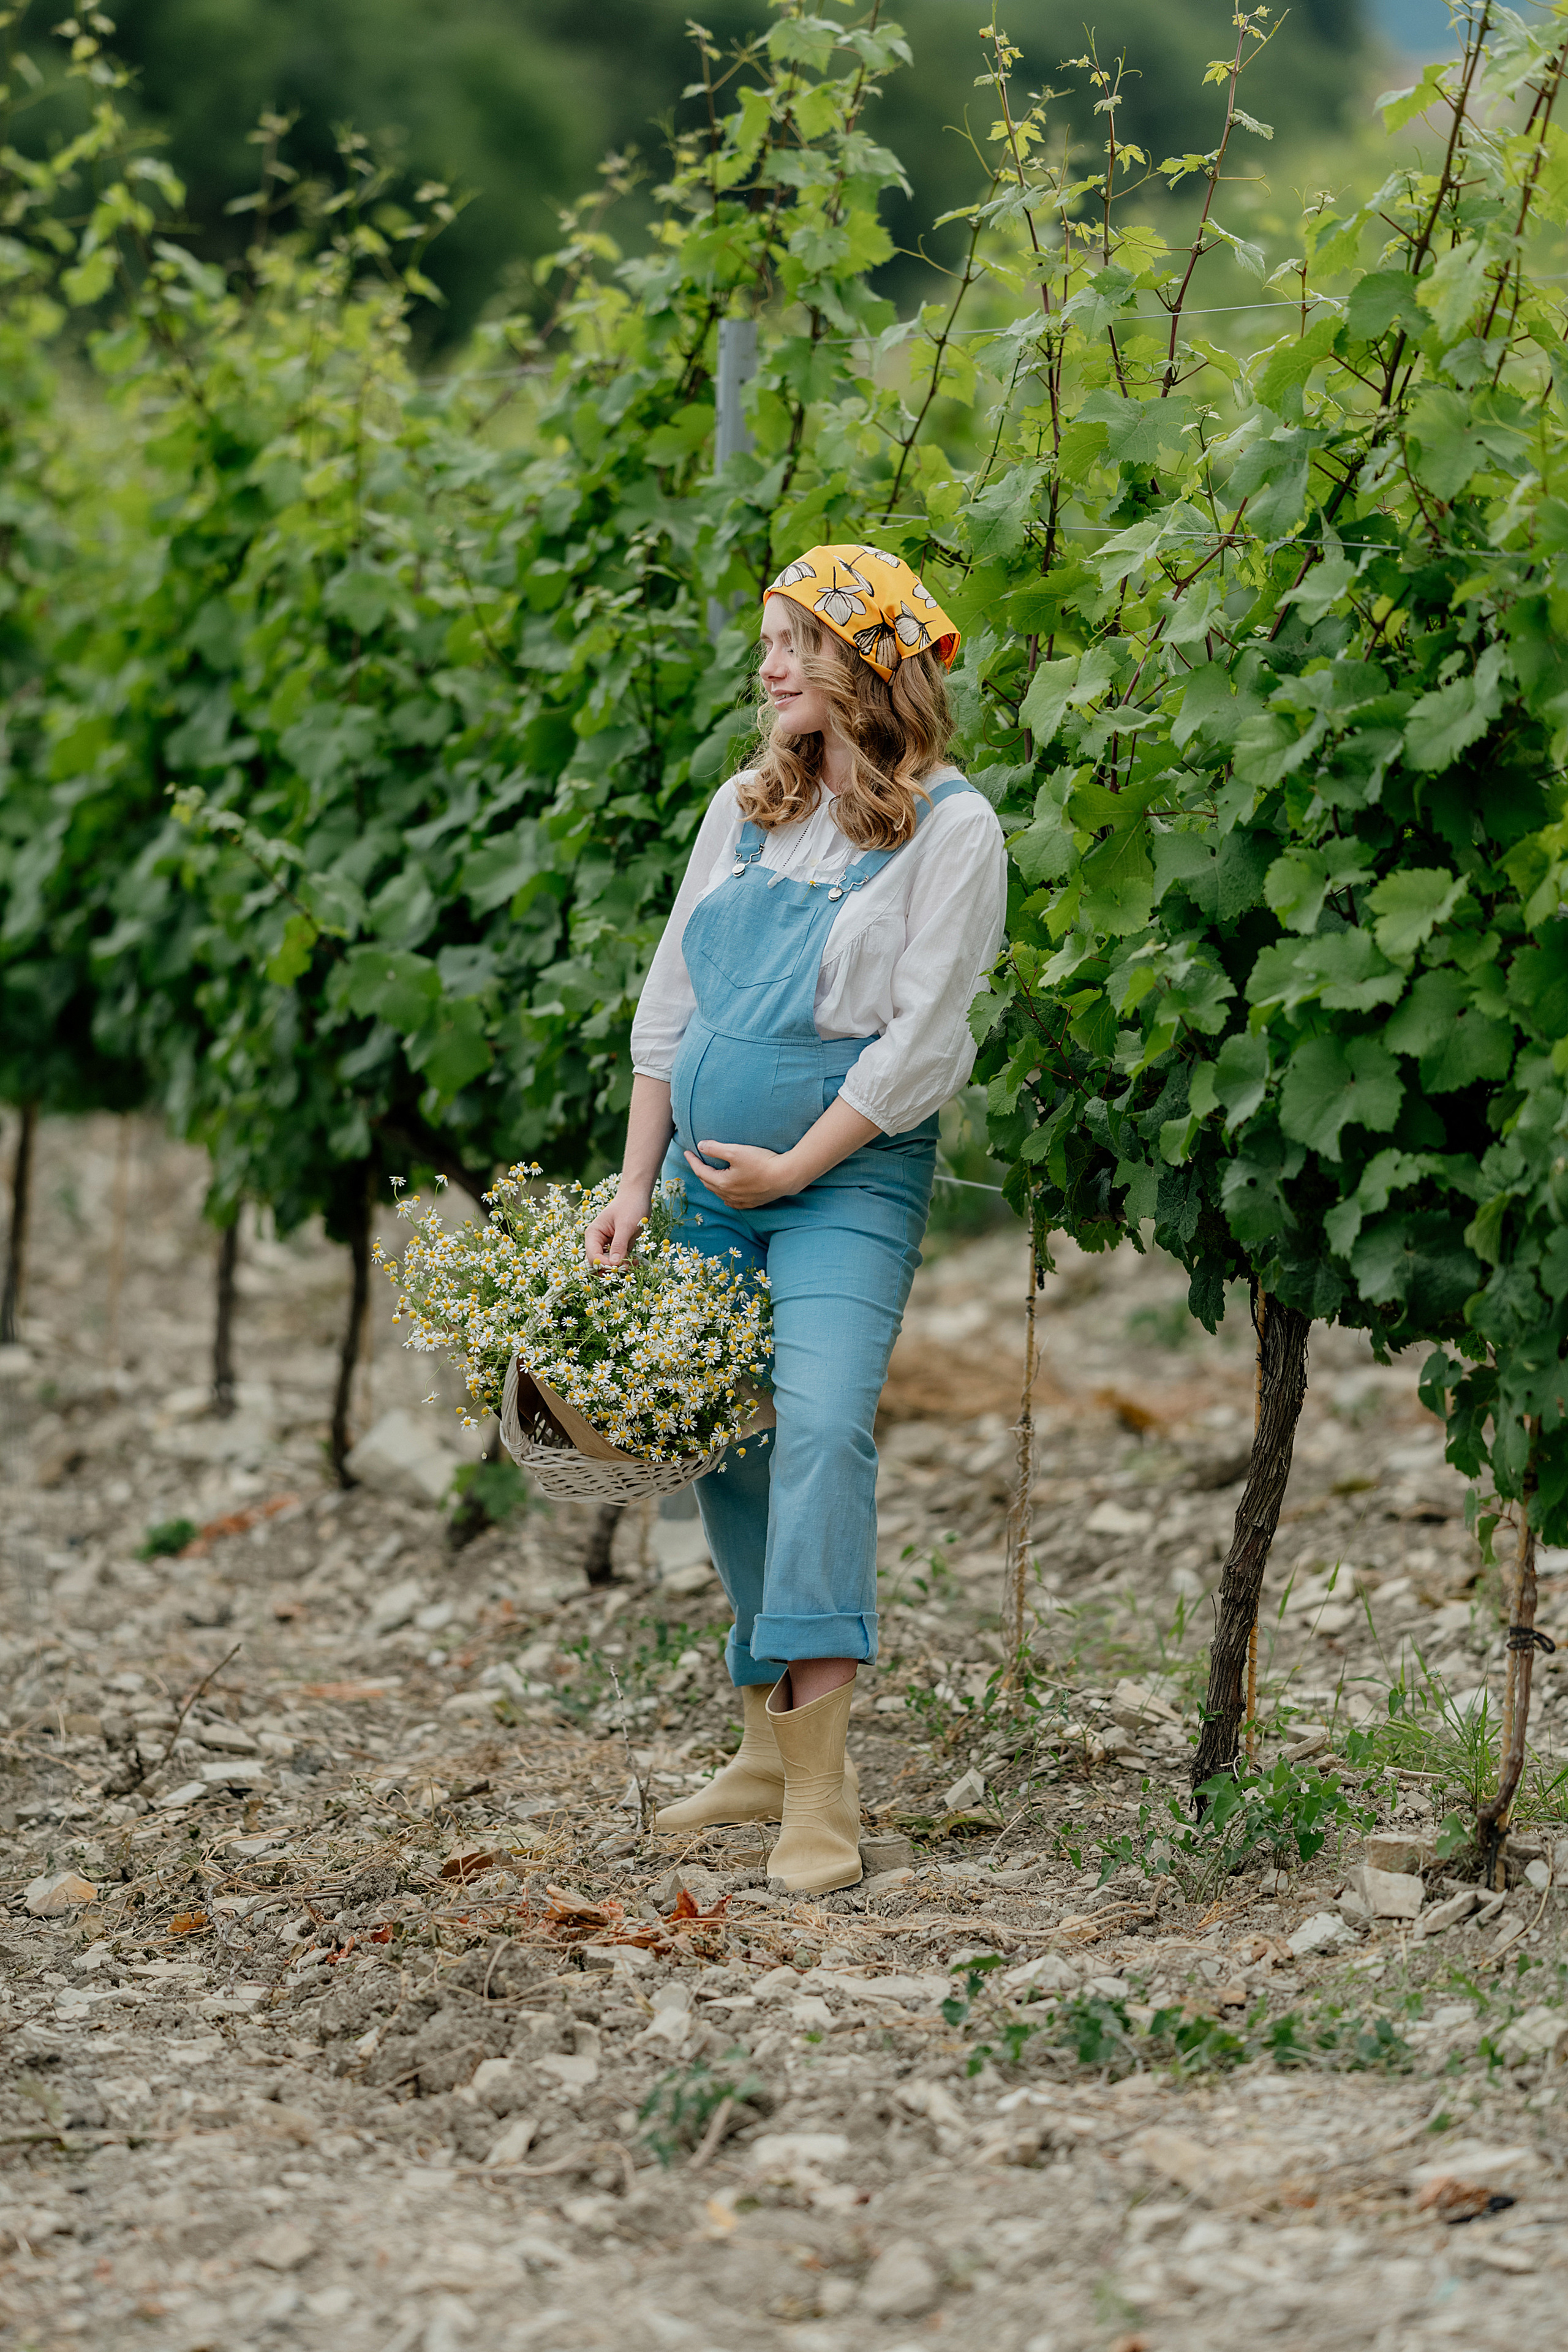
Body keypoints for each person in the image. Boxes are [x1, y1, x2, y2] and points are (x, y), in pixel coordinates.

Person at [586, 544, 1007, 1893]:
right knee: (729, 1444)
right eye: (770, 643)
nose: (768, 669)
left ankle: (820, 1793)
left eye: (794, 645)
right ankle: (764, 1746)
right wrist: (634, 1180)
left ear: (865, 663)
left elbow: (922, 1046)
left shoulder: (952, 830)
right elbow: (672, 1004)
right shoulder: (746, 805)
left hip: (842, 1177)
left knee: (821, 1422)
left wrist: (793, 1167)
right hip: (708, 1181)